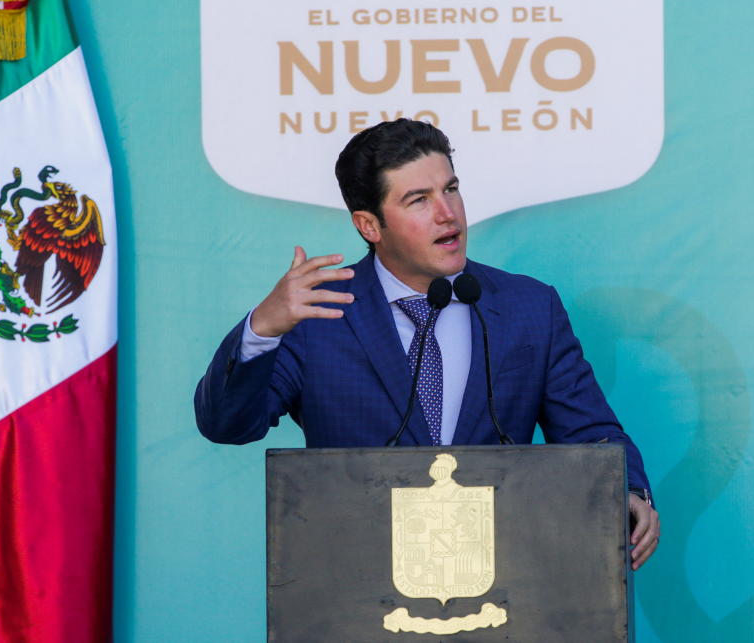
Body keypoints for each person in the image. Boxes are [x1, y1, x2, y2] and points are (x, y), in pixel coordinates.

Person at [195, 119, 660, 569]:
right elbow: (227, 425)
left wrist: (630, 491)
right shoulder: (316, 316)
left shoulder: (529, 308)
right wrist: (263, 329)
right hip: (353, 581)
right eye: (419, 199)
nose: (447, 213)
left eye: (451, 189)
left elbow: (588, 432)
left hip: (506, 577)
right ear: (370, 225)